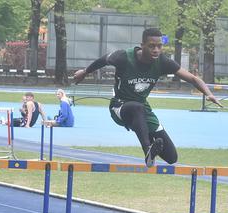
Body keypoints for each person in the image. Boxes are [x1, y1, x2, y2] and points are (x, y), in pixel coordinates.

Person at [73, 27, 222, 167]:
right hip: (120, 106)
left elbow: (193, 79)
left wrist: (209, 94)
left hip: (143, 109)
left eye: (159, 46)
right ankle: (148, 153)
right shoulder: (124, 57)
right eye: (151, 46)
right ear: (142, 45)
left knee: (171, 157)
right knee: (136, 107)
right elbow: (103, 60)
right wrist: (84, 72)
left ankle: (151, 147)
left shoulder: (163, 62)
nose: (156, 50)